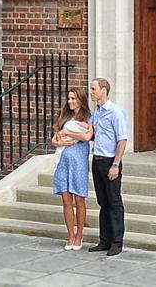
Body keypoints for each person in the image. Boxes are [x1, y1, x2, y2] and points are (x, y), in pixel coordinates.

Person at [87, 78, 128, 257]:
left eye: (94, 88)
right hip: (97, 160)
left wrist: (115, 164)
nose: (91, 91)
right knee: (103, 202)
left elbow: (122, 139)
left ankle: (116, 242)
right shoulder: (96, 112)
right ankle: (104, 240)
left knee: (114, 203)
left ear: (104, 90)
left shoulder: (115, 112)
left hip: (110, 161)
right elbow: (92, 133)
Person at [51, 88, 93, 251]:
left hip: (78, 162)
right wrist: (58, 142)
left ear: (81, 100)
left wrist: (68, 132)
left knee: (79, 199)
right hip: (63, 161)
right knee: (66, 200)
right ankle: (70, 235)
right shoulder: (64, 117)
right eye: (69, 98)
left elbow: (86, 137)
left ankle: (79, 235)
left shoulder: (88, 118)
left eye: (73, 99)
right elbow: (54, 139)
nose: (70, 101)